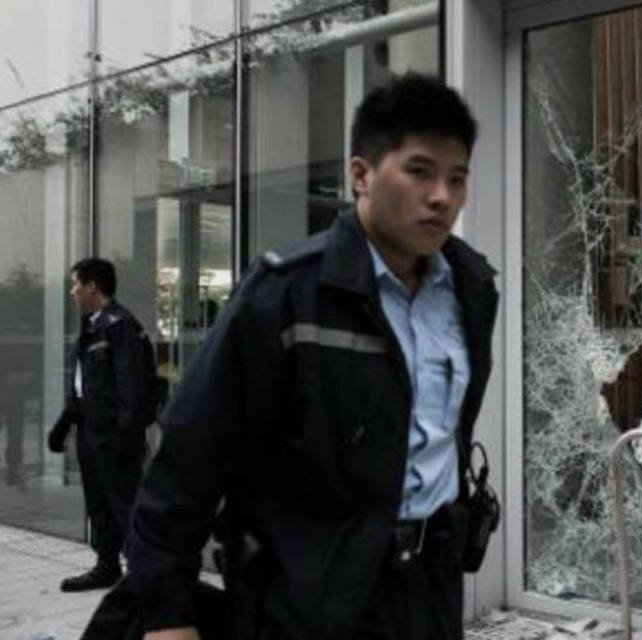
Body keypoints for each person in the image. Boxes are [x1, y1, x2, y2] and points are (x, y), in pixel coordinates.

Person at [123, 73, 499, 640]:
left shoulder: (471, 287)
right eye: (420, 171)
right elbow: (188, 458)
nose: (442, 196)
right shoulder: (286, 293)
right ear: (360, 175)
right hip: (309, 600)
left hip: (430, 589)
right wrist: (167, 616)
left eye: (457, 178)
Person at [47, 258, 159, 592]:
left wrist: (126, 435)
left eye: (75, 284)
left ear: (92, 286)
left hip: (114, 435)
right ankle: (107, 567)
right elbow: (85, 383)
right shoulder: (93, 324)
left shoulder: (120, 325)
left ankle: (147, 579)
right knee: (99, 505)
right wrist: (64, 423)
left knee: (124, 504)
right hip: (89, 430)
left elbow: (133, 387)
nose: (72, 291)